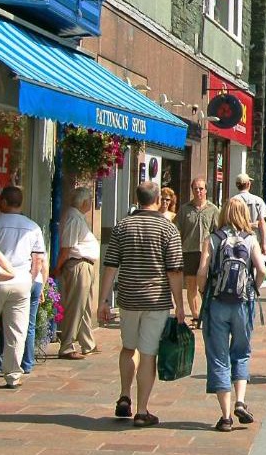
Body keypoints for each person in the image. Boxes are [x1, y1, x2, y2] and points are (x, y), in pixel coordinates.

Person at [98, 181, 186, 426]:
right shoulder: (168, 228)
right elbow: (175, 271)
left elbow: (111, 265)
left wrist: (104, 300)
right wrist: (179, 304)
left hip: (128, 298)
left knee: (128, 348)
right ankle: (142, 410)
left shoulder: (122, 226)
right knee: (148, 355)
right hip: (156, 300)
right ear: (158, 199)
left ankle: (124, 395)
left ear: (137, 199)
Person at [197, 198, 266, 432]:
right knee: (242, 352)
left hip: (216, 303)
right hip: (243, 304)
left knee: (218, 356)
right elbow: (262, 269)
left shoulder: (213, 239)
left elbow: (202, 270)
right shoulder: (251, 239)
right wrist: (253, 288)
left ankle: (225, 417)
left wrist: (202, 289)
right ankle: (240, 400)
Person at [0, 185, 44, 388]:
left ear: (3, 202)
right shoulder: (33, 227)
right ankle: (13, 375)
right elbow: (37, 259)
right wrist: (30, 281)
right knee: (17, 331)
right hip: (22, 282)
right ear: (20, 203)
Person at [54, 187, 99, 360]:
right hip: (78, 265)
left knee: (85, 307)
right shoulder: (73, 217)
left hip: (85, 264)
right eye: (90, 199)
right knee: (75, 307)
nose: (91, 203)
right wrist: (58, 268)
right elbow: (66, 248)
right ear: (84, 202)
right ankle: (66, 346)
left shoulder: (78, 216)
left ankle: (87, 343)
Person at [176, 178, 219, 327]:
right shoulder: (184, 209)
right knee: (191, 285)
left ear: (206, 190)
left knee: (206, 285)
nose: (198, 191)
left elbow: (218, 232)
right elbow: (177, 230)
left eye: (201, 188)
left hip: (207, 253)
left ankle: (206, 313)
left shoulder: (213, 210)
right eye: (195, 188)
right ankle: (196, 317)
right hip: (189, 251)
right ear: (192, 190)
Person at [230, 173, 266, 257]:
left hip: (238, 240)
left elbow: (231, 222)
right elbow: (262, 223)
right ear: (248, 184)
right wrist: (264, 244)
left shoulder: (232, 201)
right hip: (255, 239)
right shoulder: (258, 200)